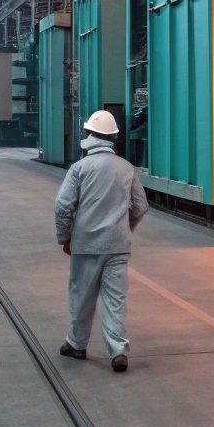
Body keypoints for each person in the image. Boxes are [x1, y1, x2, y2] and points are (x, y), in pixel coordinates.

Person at [55, 110, 149, 372]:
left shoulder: (80, 168)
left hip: (86, 245)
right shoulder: (126, 168)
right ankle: (118, 350)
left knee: (82, 296)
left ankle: (76, 344)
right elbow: (141, 206)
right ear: (113, 138)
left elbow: (62, 207)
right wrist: (125, 227)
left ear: (89, 135)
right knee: (115, 300)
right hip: (118, 246)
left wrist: (65, 237)